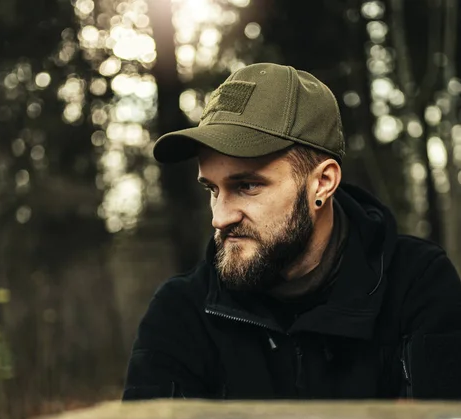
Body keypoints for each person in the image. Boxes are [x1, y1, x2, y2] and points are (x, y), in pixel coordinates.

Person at [123, 63, 461, 401]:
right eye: (212, 189)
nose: (220, 218)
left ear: (322, 183)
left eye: (247, 186)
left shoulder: (416, 287)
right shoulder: (181, 313)